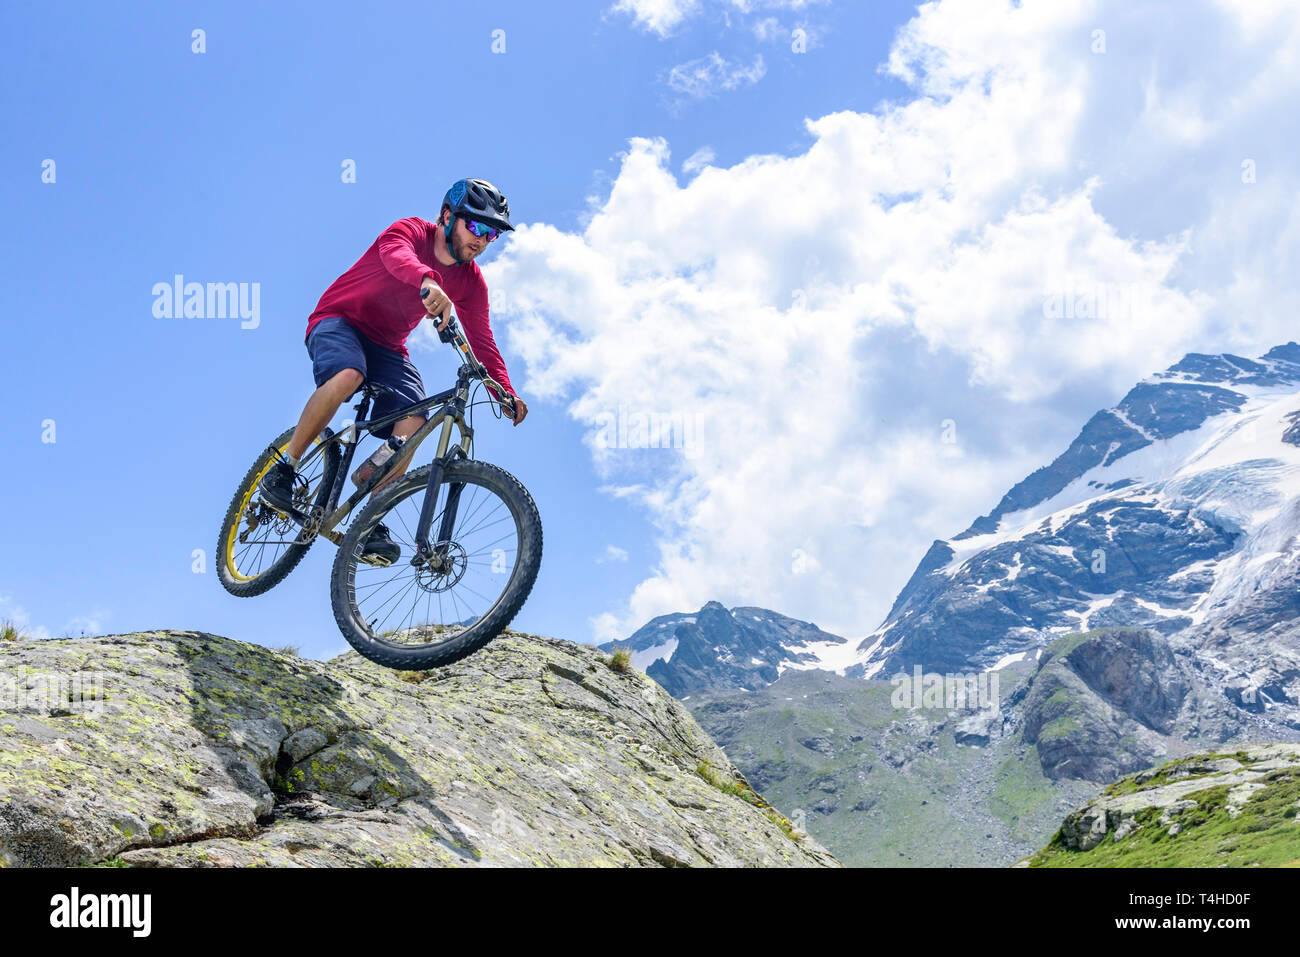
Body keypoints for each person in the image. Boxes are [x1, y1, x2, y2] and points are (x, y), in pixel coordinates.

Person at [258, 177, 528, 565]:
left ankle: (371, 517)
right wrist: (427, 280)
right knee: (350, 374)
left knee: (416, 420)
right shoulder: (410, 231)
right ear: (448, 216)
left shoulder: (472, 283)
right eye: (476, 227)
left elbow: (482, 338)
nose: (483, 240)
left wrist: (504, 389)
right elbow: (394, 254)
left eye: (492, 234)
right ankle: (284, 469)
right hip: (339, 320)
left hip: (387, 345)